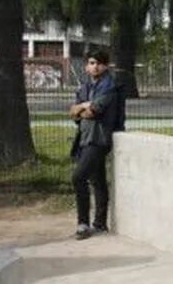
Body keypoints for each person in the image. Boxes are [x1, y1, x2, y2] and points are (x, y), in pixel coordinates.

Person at [69, 49, 121, 240]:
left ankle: (83, 224)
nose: (95, 66)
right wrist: (84, 106)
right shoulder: (85, 87)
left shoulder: (109, 86)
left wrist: (83, 108)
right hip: (85, 138)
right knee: (97, 181)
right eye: (91, 62)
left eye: (99, 63)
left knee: (78, 178)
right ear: (86, 66)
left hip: (99, 139)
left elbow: (95, 111)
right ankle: (99, 223)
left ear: (106, 65)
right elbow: (73, 112)